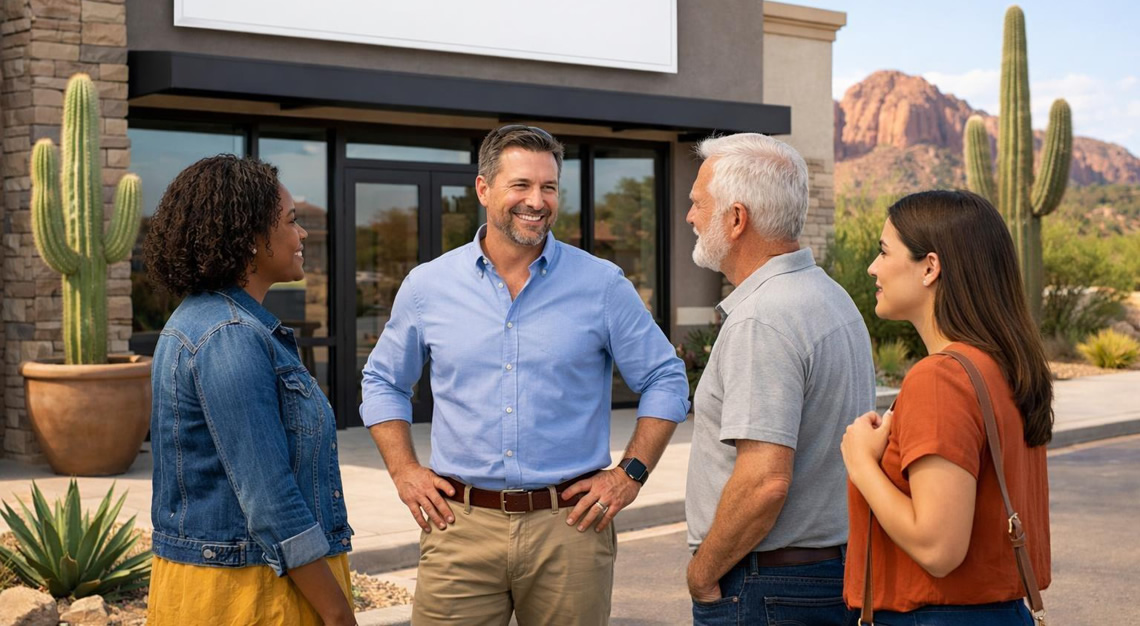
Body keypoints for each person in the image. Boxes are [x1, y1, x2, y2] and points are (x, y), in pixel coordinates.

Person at [361, 125, 690, 625]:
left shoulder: (601, 285)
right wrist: (404, 471)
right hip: (460, 528)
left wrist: (631, 474)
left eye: (549, 188)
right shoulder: (428, 286)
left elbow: (666, 378)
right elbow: (383, 381)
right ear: (483, 189)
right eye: (521, 185)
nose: (537, 201)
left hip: (571, 529)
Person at [143, 155, 356, 626]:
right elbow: (269, 497)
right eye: (291, 222)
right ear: (249, 240)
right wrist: (338, 612)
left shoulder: (210, 322)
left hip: (245, 579)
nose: (302, 235)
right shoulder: (229, 335)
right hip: (249, 594)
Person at [684, 133, 874, 626]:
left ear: (737, 219)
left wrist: (703, 575)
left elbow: (765, 481)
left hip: (766, 587)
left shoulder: (763, 318)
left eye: (698, 204)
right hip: (825, 576)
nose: (690, 218)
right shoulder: (829, 296)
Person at [841, 190, 1052, 624]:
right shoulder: (1005, 366)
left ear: (930, 268)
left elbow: (938, 549)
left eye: (884, 252)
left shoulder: (941, 378)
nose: (873, 267)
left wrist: (860, 462)